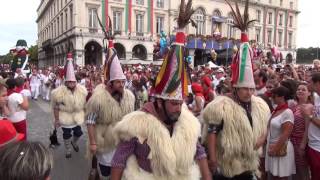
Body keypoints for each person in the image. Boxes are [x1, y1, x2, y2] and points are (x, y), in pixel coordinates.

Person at [110, 1, 212, 179]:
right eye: (174, 103)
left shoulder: (186, 122)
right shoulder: (136, 124)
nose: (179, 108)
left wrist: (207, 176)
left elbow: (199, 152)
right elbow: (119, 159)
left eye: (180, 103)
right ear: (158, 101)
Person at [203, 1, 270, 179]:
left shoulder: (260, 105)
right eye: (245, 89)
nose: (249, 92)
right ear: (235, 88)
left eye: (251, 88)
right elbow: (212, 132)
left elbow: (264, 126)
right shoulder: (221, 106)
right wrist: (213, 158)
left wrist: (262, 139)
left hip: (249, 162)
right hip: (228, 164)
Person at [86, 34, 135, 179]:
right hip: (105, 141)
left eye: (123, 81)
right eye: (118, 82)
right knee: (106, 171)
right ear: (110, 83)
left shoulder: (129, 96)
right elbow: (90, 121)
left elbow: (131, 117)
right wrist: (93, 142)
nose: (122, 84)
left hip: (122, 141)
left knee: (121, 170)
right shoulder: (98, 99)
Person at [51, 53, 88, 158]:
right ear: (66, 82)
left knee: (79, 133)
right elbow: (56, 107)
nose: (72, 83)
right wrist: (57, 120)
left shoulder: (81, 90)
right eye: (69, 82)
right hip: (65, 117)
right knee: (66, 134)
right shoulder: (59, 93)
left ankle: (74, 142)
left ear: (76, 81)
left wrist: (85, 113)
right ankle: (68, 149)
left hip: (77, 116)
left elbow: (84, 103)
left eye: (73, 82)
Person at [265, 86, 296, 179]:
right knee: (274, 176)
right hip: (272, 147)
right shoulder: (276, 110)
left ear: (282, 97)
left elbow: (286, 134)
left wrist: (275, 149)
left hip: (281, 148)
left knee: (282, 177)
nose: (272, 98)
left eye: (274, 96)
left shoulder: (287, 112)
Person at [301, 72, 320, 180]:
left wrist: (310, 116)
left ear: (317, 83)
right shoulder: (316, 97)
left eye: (309, 82)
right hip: (312, 144)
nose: (307, 84)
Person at [290, 83, 311, 180]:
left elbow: (308, 129)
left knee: (302, 170)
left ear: (309, 93)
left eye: (303, 89)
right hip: (291, 142)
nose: (300, 91)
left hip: (301, 142)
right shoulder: (294, 105)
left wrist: (302, 146)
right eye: (298, 89)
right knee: (293, 169)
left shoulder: (308, 107)